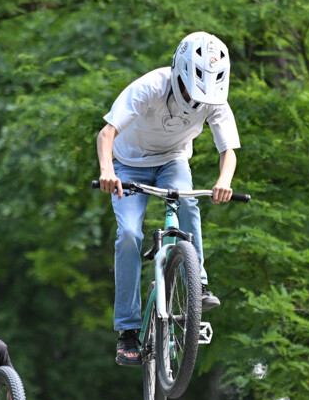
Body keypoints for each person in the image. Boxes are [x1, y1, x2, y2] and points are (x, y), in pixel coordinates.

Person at [96, 31, 241, 367]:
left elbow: (228, 150)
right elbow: (107, 133)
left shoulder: (214, 100)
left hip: (172, 161)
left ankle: (198, 283)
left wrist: (224, 181)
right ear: (179, 72)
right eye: (192, 88)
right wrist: (107, 171)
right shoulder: (152, 86)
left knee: (189, 202)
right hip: (127, 165)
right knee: (129, 235)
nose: (197, 98)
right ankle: (128, 331)